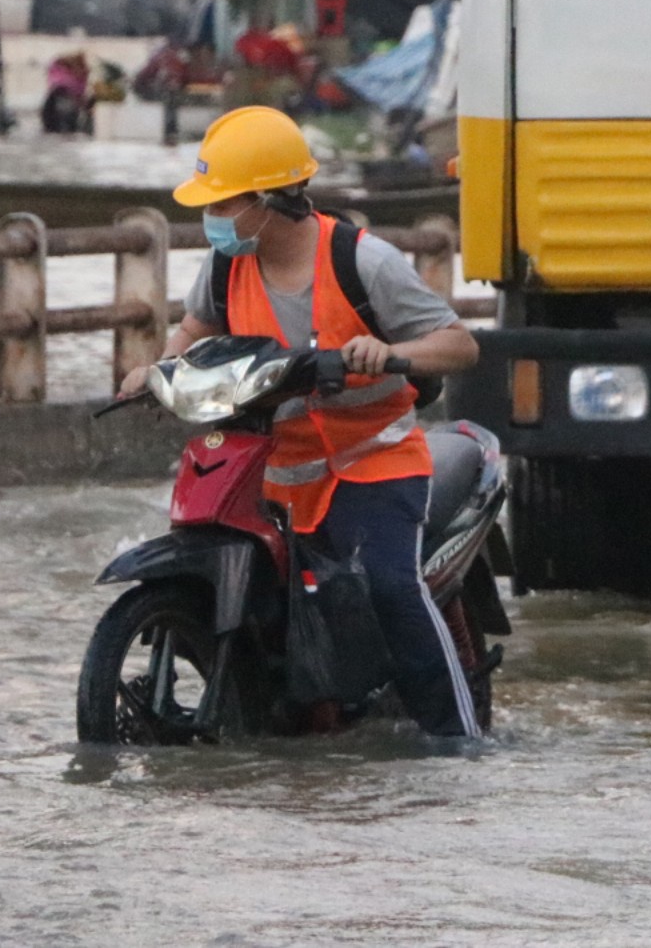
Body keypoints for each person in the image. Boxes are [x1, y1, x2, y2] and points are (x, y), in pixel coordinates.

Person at [116, 106, 483, 737]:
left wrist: (390, 352)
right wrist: (158, 369)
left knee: (390, 589)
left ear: (268, 200)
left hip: (373, 464)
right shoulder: (227, 263)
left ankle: (458, 737)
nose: (212, 219)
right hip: (273, 469)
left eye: (223, 204)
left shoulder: (363, 262)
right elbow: (197, 327)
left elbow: (460, 345)